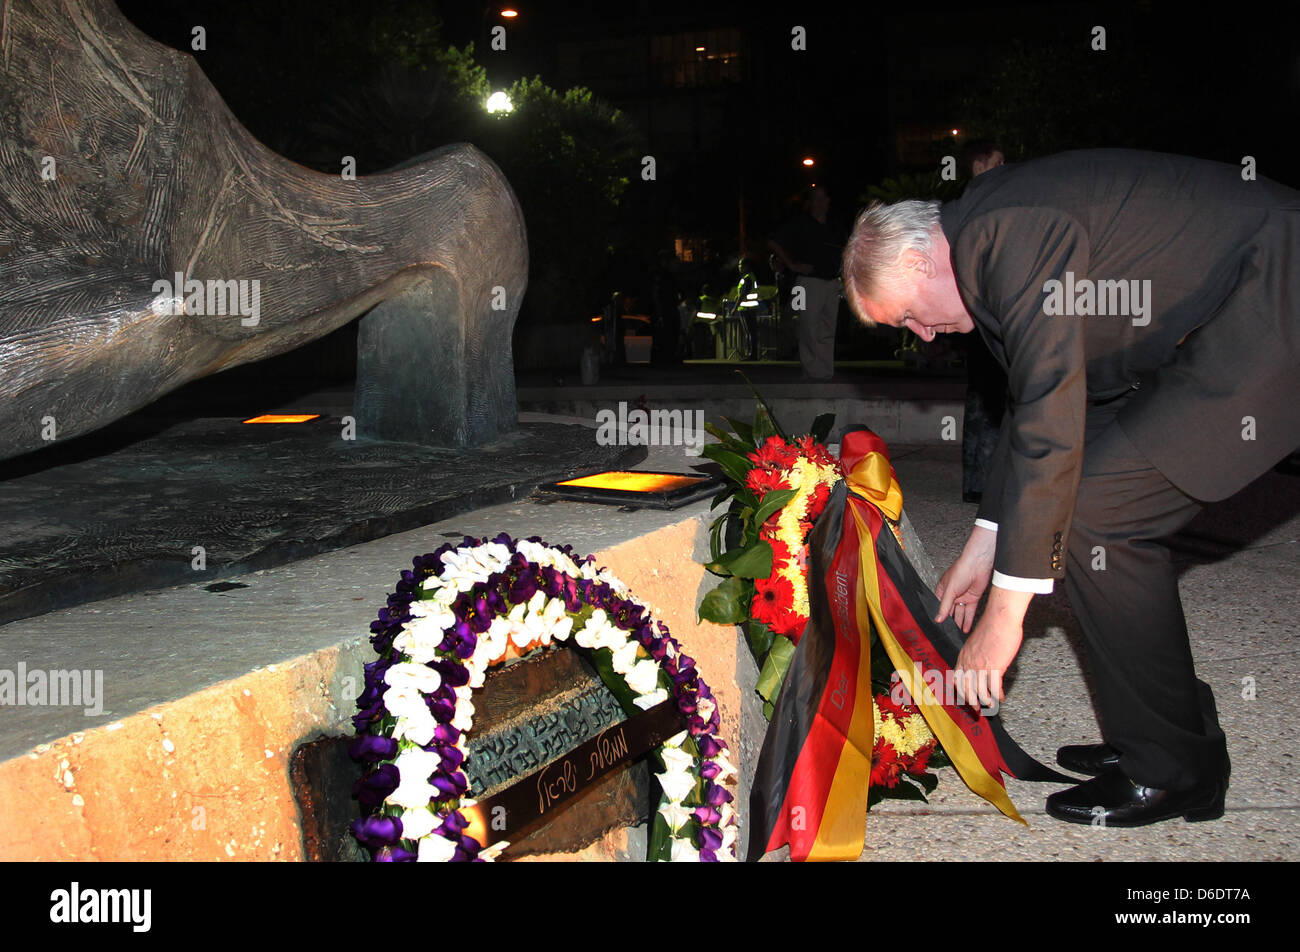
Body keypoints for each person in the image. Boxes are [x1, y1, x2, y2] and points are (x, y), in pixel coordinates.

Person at [840, 148, 1300, 827]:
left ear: (916, 261)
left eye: (906, 315)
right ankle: (1164, 733)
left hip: (1273, 303)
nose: (921, 334)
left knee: (1094, 519)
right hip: (1222, 313)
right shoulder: (987, 243)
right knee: (1075, 518)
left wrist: (1004, 616)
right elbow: (1038, 412)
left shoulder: (1010, 236)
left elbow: (1054, 418)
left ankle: (1176, 772)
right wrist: (987, 543)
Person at [957, 140, 1009, 503]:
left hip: (979, 309)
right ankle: (986, 481)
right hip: (984, 310)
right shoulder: (982, 203)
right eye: (999, 161)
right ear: (979, 166)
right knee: (990, 393)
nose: (1005, 167)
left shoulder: (971, 203)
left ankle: (978, 481)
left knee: (982, 393)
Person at [768, 186, 845, 379]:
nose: (819, 203)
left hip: (832, 281)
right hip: (807, 283)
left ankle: (825, 371)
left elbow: (845, 249)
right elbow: (773, 242)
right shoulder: (800, 223)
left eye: (823, 198)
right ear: (810, 203)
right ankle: (811, 370)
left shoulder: (835, 225)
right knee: (808, 326)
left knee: (828, 327)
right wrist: (792, 265)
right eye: (815, 199)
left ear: (828, 201)